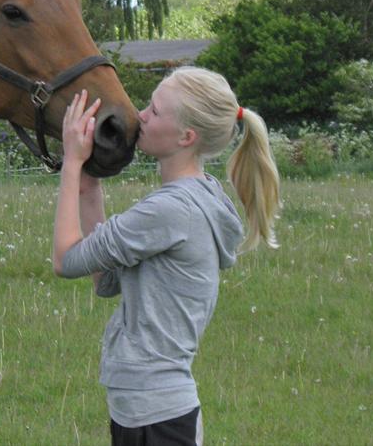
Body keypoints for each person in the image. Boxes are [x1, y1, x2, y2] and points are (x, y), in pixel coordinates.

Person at [52, 67, 280, 446]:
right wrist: (88, 187)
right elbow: (106, 280)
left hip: (156, 418)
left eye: (155, 111)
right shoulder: (192, 200)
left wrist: (72, 164)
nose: (140, 115)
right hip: (145, 410)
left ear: (186, 137)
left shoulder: (172, 211)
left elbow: (65, 261)